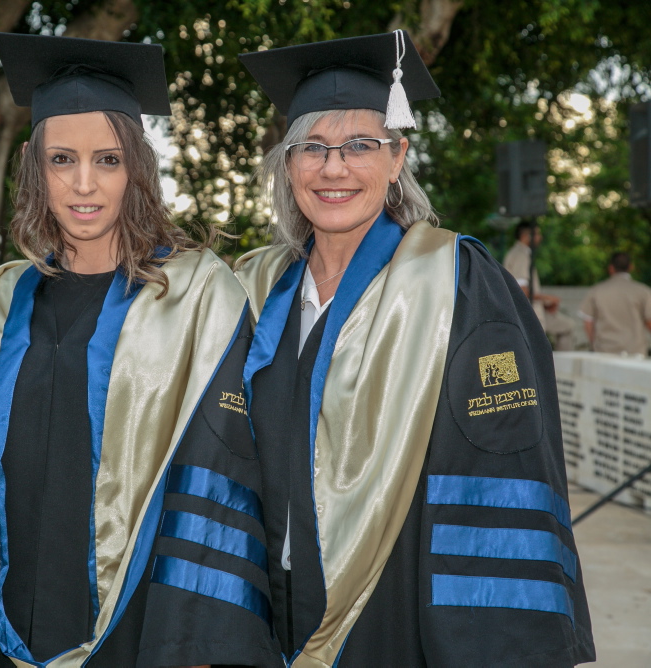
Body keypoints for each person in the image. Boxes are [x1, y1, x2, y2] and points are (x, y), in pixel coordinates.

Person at [236, 30, 595, 666]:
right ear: (287, 165)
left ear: (398, 157)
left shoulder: (453, 282)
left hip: (395, 609)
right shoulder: (253, 288)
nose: (334, 168)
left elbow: (497, 473)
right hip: (264, 612)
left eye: (360, 146)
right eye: (311, 147)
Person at [0, 34, 280, 668]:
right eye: (62, 159)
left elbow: (221, 472)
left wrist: (192, 644)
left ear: (136, 168)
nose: (83, 184)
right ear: (33, 164)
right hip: (3, 628)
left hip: (143, 632)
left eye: (108, 160)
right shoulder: (3, 298)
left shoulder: (196, 295)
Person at [503, 221, 575, 350]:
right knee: (535, 348)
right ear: (526, 236)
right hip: (529, 313)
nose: (540, 237)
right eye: (537, 234)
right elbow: (522, 291)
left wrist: (545, 304)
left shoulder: (518, 253)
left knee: (566, 325)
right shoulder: (521, 255)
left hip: (526, 311)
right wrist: (548, 298)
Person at [579, 251, 651, 355]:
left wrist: (593, 344)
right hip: (635, 352)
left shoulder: (596, 291)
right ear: (631, 267)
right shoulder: (643, 291)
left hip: (604, 351)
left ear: (611, 268)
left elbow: (588, 322)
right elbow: (649, 321)